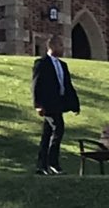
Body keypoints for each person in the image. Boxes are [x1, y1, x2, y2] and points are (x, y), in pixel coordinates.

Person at [32, 34, 80, 175]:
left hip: (58, 104)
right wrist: (38, 105)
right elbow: (36, 85)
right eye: (60, 45)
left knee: (47, 134)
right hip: (47, 105)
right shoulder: (41, 63)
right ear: (52, 46)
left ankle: (41, 166)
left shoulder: (62, 65)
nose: (62, 48)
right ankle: (53, 164)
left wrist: (74, 105)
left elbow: (67, 86)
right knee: (58, 129)